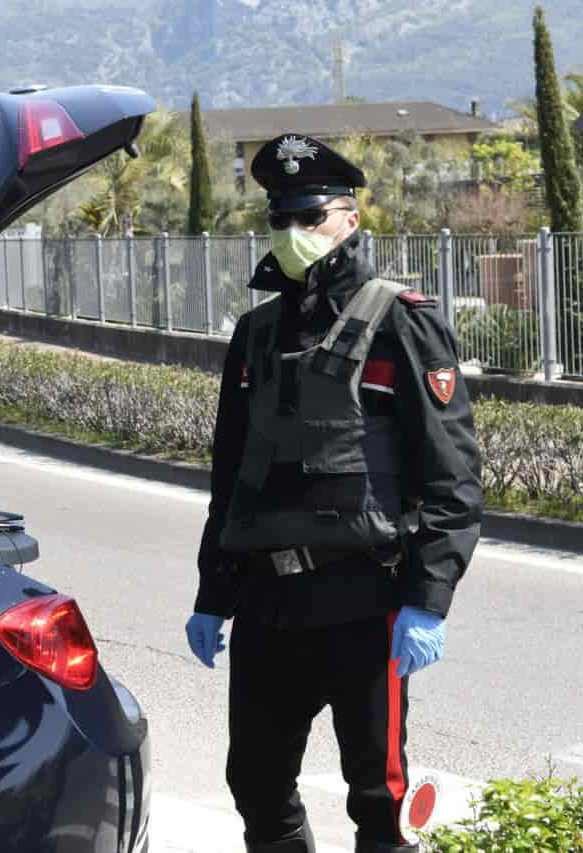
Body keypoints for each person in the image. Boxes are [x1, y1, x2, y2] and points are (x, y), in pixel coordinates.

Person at [184, 134, 483, 853]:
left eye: (311, 216)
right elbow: (231, 479)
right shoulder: (255, 334)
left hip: (364, 602)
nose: (294, 234)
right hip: (267, 601)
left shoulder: (400, 322)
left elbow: (453, 474)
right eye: (281, 220)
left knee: (379, 800)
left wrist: (426, 596)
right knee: (254, 782)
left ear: (349, 217)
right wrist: (212, 594)